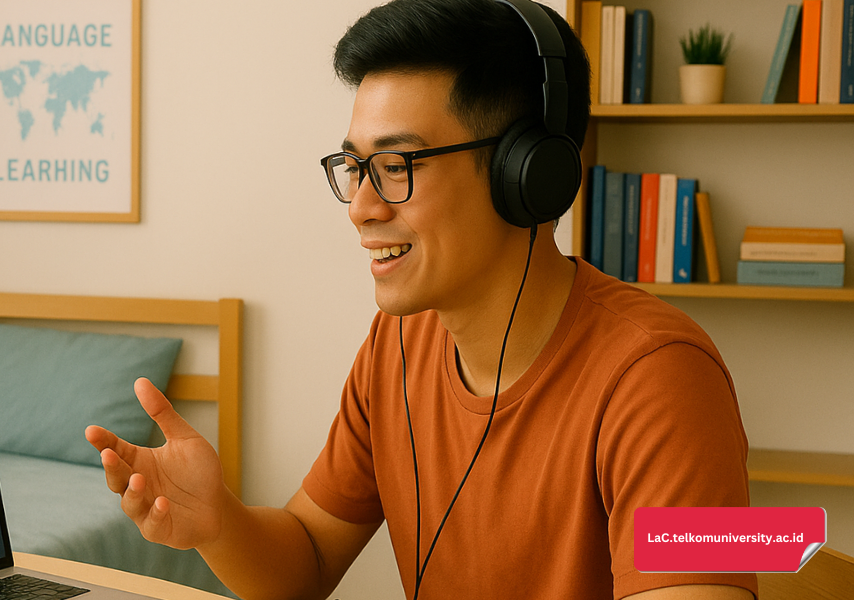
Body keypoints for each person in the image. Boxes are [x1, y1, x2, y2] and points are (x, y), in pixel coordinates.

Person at [85, 1, 756, 598]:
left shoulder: (662, 377)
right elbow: (308, 560)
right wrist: (218, 522)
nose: (361, 209)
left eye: (397, 166)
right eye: (354, 169)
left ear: (525, 175)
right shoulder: (397, 346)